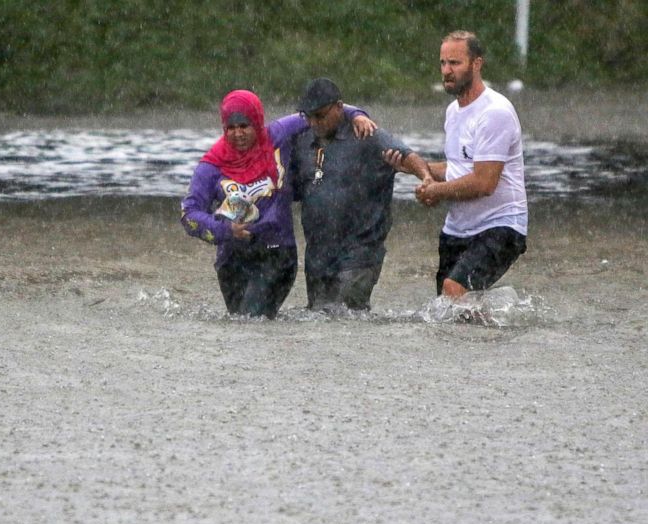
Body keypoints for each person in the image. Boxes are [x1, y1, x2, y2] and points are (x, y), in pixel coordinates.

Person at [180, 89, 376, 318]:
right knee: (240, 323)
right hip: (231, 260)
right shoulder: (212, 166)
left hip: (276, 254)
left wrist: (357, 116)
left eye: (244, 126)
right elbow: (189, 214)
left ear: (257, 121)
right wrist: (225, 229)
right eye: (231, 128)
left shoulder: (279, 135)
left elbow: (324, 109)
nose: (238, 134)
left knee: (251, 319)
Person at [403, 30, 528, 299]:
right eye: (443, 63)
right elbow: (457, 169)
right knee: (446, 310)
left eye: (455, 63)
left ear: (477, 64)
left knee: (453, 290)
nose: (446, 71)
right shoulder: (453, 112)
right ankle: (497, 310)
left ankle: (506, 322)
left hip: (501, 224)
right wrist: (412, 165)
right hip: (458, 228)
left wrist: (435, 192)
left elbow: (484, 183)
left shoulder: (495, 112)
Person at [290, 77, 431, 311]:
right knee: (318, 319)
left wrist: (426, 179)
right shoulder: (302, 140)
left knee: (342, 316)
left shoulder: (367, 134)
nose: (315, 122)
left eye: (320, 115)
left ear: (339, 107)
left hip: (361, 252)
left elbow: (408, 156)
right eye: (309, 116)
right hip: (318, 255)